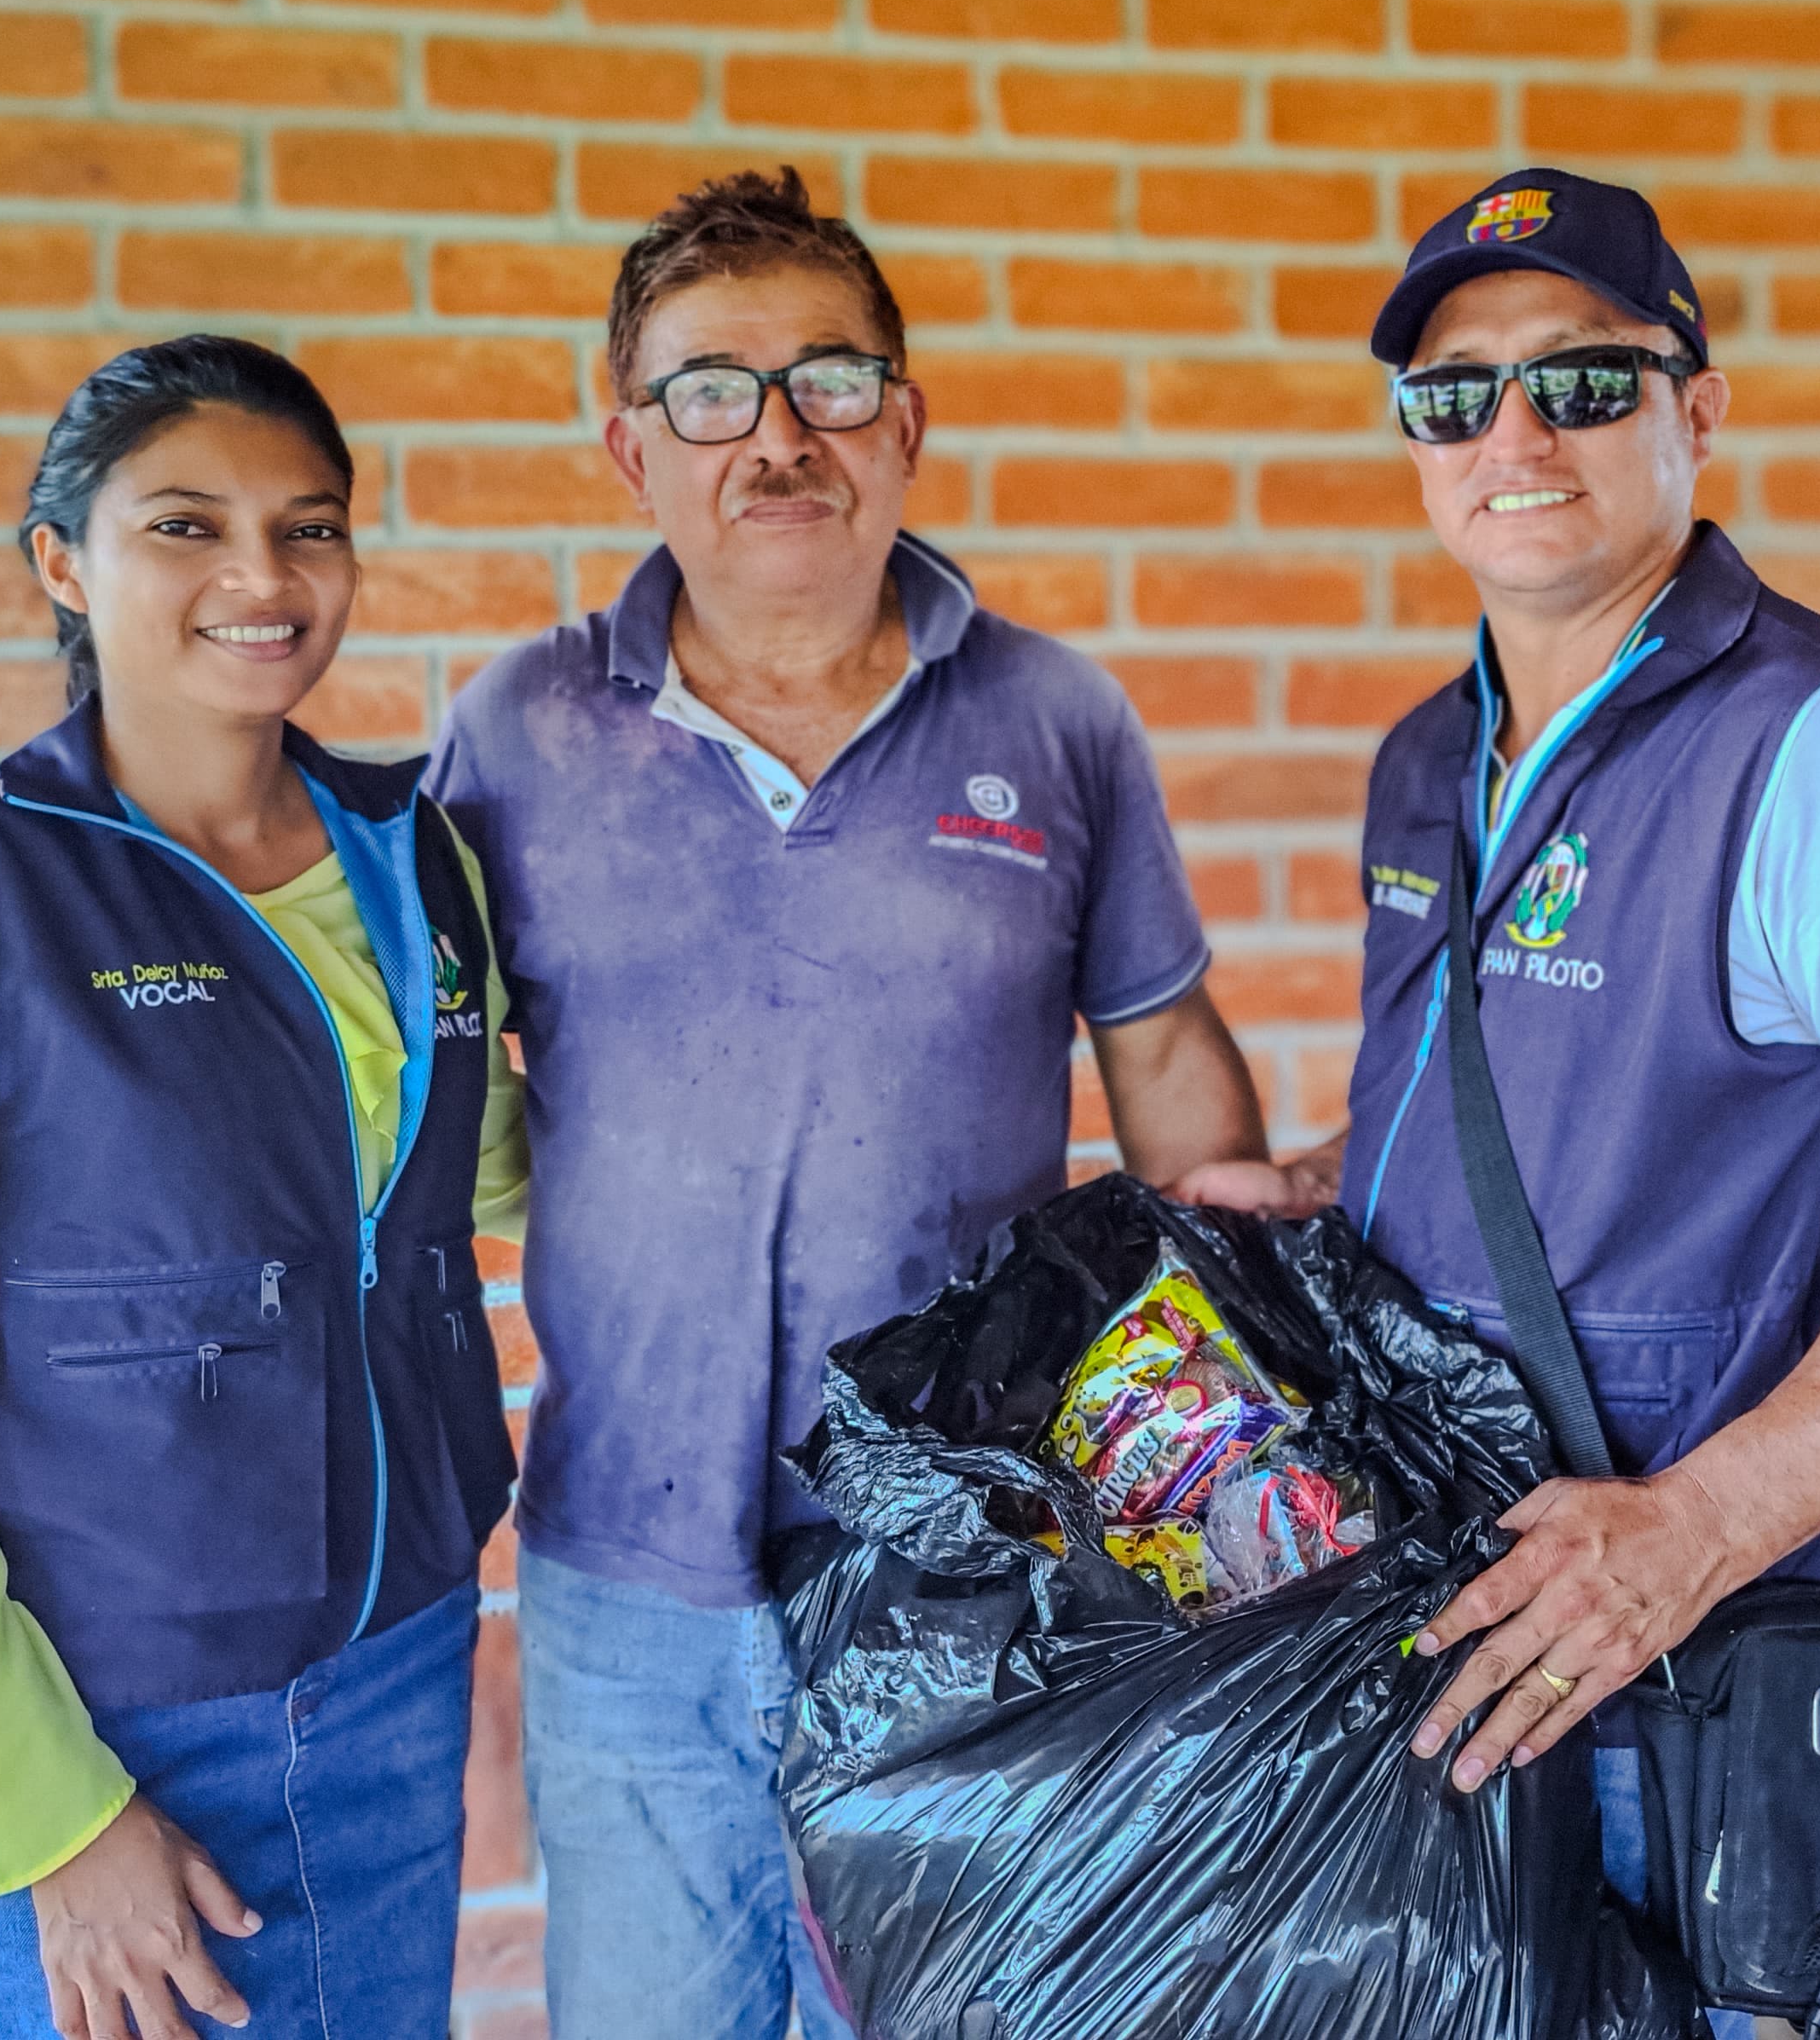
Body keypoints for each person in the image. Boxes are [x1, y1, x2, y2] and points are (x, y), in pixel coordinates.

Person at [1174, 166, 1820, 1998]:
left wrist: (1696, 1529)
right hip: (1432, 1647)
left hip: (1673, 1678)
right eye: (1454, 396)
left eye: (1582, 381)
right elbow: (1563, 1093)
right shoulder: (1428, 758)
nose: (1513, 434)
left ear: (1699, 409)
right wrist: (1336, 1179)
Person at [426, 168, 1266, 2040]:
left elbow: (1163, 1071)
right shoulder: (515, 736)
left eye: (829, 378)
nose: (777, 435)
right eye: (711, 392)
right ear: (631, 451)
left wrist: (1246, 1414)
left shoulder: (1054, 720)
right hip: (625, 1571)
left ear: (905, 424)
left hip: (970, 1569)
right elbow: (432, 1099)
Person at [0, 337, 529, 2040]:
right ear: (63, 564)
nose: (262, 577)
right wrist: (46, 1817)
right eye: (186, 526)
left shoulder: (416, 855)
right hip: (116, 1723)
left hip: (401, 1655)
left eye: (309, 527)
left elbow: (491, 1175)